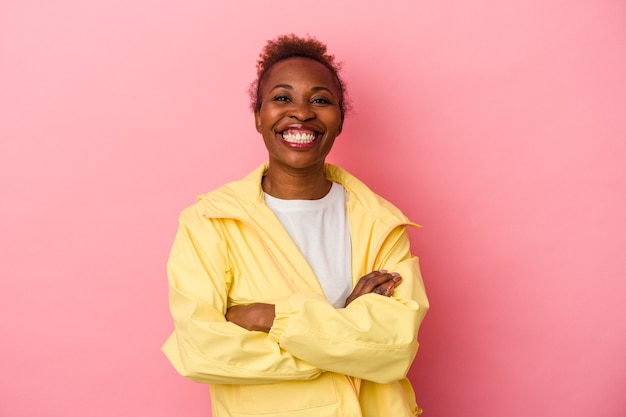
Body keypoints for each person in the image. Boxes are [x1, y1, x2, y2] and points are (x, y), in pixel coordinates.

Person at [162, 34, 429, 417]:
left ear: (340, 120)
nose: (301, 113)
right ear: (258, 116)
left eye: (320, 100)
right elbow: (201, 350)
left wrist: (265, 318)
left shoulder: (381, 222)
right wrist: (344, 336)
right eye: (282, 98)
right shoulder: (209, 223)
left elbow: (396, 349)